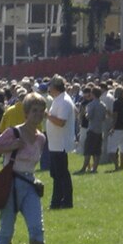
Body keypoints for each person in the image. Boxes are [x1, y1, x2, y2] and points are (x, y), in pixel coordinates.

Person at [0, 95, 49, 244]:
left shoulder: (41, 138)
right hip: (10, 185)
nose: (37, 115)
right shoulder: (14, 133)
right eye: (34, 111)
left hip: (30, 185)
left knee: (37, 226)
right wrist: (11, 146)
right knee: (7, 228)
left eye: (41, 111)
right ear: (26, 113)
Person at [45, 77, 74, 209]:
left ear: (55, 87)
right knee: (56, 174)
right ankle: (56, 200)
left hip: (60, 144)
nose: (48, 89)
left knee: (62, 174)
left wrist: (47, 115)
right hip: (55, 144)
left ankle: (66, 201)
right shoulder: (59, 99)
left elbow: (61, 122)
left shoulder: (64, 101)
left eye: (50, 86)